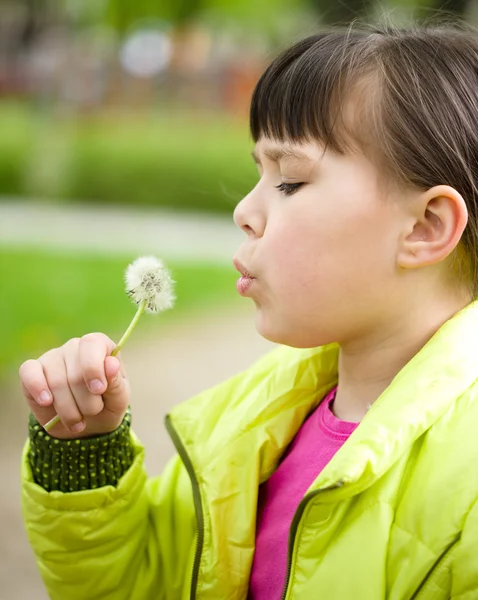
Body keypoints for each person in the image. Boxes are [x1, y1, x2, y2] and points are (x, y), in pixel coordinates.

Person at [19, 22, 478, 600]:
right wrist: (85, 451)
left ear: (425, 227)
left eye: (289, 181)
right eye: (257, 175)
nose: (243, 210)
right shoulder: (253, 422)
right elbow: (141, 581)